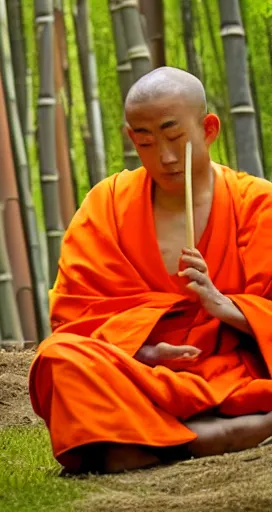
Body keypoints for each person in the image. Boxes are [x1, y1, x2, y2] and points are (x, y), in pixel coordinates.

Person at [28, 66, 272, 475]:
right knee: (57, 358)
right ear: (131, 139)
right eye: (146, 142)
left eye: (176, 138)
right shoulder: (107, 205)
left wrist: (226, 306)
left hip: (236, 371)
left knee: (114, 447)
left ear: (208, 129)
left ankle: (143, 442)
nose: (166, 157)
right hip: (143, 377)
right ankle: (204, 438)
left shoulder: (257, 203)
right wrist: (145, 351)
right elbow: (77, 319)